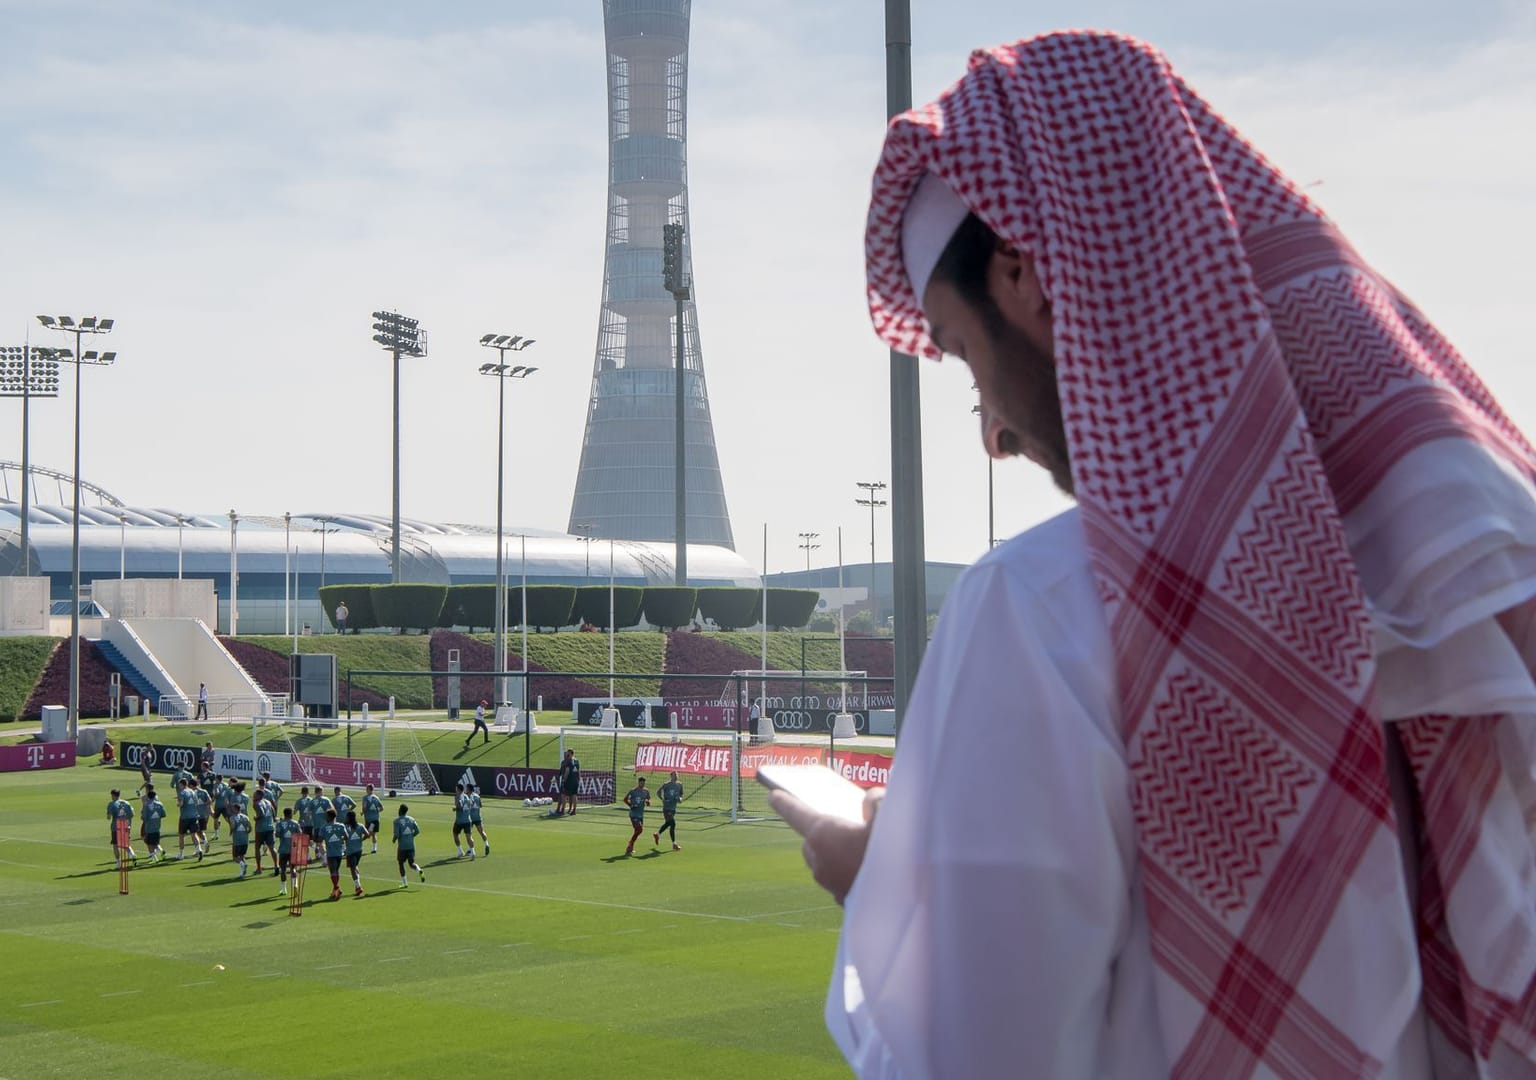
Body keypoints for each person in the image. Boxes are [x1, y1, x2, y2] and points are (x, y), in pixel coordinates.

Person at [774, 29, 1536, 1077]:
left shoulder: (1044, 612)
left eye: (964, 360)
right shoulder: (1485, 568)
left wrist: (883, 886)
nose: (989, 430)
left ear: (1028, 278)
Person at [320, 810, 350, 900]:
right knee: (336, 871)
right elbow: (347, 837)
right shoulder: (341, 826)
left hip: (331, 853)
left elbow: (320, 838)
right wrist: (340, 838)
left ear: (329, 817)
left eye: (326, 816)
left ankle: (337, 888)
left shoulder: (324, 827)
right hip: (339, 852)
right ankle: (335, 890)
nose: (325, 817)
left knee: (333, 871)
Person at [392, 804, 424, 886]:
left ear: (400, 810)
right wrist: (411, 836)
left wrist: (394, 840)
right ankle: (419, 870)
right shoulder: (411, 819)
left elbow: (397, 834)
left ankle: (404, 882)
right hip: (411, 845)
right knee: (412, 863)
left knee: (401, 863)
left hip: (402, 847)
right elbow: (417, 831)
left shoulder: (396, 821)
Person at [104, 788, 135, 869]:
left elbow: (108, 817)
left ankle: (118, 862)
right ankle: (132, 855)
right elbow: (132, 814)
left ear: (113, 795)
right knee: (125, 843)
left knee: (115, 845)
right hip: (125, 825)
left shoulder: (112, 804)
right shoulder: (126, 803)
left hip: (116, 827)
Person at [175, 776, 204, 859]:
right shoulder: (193, 792)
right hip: (194, 816)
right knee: (194, 834)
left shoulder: (182, 792)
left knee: (181, 835)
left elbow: (181, 804)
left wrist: (178, 804)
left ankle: (181, 854)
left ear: (182, 784)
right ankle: (199, 849)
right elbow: (197, 803)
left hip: (185, 817)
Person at [656, 771, 684, 851]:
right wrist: (662, 799)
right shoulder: (666, 784)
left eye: (676, 775)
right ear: (670, 776)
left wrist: (680, 799)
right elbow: (658, 792)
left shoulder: (679, 785)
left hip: (673, 808)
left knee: (669, 824)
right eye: (673, 775)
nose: (675, 776)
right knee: (673, 823)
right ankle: (674, 844)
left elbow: (681, 794)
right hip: (667, 807)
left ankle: (657, 834)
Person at [341, 810, 367, 898]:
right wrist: (361, 840)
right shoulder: (360, 826)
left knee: (352, 869)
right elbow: (367, 834)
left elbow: (343, 837)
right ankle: (358, 882)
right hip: (359, 850)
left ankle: (358, 886)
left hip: (350, 851)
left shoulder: (346, 827)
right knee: (355, 866)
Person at [275, 807, 301, 893]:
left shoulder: (280, 824)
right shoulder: (295, 823)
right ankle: (295, 885)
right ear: (290, 814)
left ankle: (284, 889)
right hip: (293, 849)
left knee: (283, 870)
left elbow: (277, 835)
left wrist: (282, 833)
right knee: (293, 868)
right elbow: (300, 835)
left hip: (283, 849)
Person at [622, 776, 650, 856]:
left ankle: (630, 848)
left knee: (637, 831)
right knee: (639, 829)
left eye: (644, 783)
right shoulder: (633, 791)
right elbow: (625, 799)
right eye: (641, 783)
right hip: (633, 814)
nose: (643, 784)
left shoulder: (646, 791)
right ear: (638, 783)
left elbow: (648, 799)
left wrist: (648, 802)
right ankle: (631, 842)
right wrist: (631, 805)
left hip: (641, 814)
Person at [449, 782, 476, 860]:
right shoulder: (467, 796)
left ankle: (460, 851)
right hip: (468, 820)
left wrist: (455, 809)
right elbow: (471, 805)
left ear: (458, 790)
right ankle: (473, 852)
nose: (455, 791)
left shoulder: (459, 797)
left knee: (455, 834)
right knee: (469, 837)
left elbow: (460, 806)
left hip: (460, 821)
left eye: (456, 789)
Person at [253, 785, 277, 872]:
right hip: (270, 827)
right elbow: (273, 811)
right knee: (272, 847)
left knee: (257, 848)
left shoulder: (257, 803)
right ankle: (276, 865)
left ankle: (259, 868)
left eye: (255, 794)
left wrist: (256, 818)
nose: (254, 795)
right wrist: (274, 818)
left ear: (259, 795)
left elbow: (261, 814)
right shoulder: (268, 802)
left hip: (261, 829)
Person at [139, 787, 166, 862]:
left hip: (149, 827)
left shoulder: (147, 805)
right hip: (157, 826)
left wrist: (142, 816)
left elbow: (144, 817)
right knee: (155, 842)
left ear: (148, 796)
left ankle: (154, 858)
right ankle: (161, 851)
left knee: (149, 843)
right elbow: (163, 814)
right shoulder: (160, 804)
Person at [227, 804, 253, 880]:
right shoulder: (245, 817)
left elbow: (233, 826)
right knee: (242, 856)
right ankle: (242, 873)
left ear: (235, 809)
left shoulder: (232, 817)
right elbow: (250, 828)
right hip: (245, 839)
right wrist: (246, 833)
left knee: (235, 858)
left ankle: (243, 864)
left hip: (237, 840)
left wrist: (231, 832)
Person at [555, 748, 581, 816]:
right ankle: (574, 810)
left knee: (563, 795)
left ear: (570, 754)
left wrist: (564, 780)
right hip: (575, 781)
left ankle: (562, 810)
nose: (566, 754)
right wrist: (579, 779)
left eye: (567, 753)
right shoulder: (577, 761)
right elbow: (578, 771)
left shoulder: (568, 761)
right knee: (574, 795)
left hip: (569, 781)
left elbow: (567, 771)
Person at [361, 784, 384, 854]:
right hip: (374, 819)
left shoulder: (365, 798)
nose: (366, 790)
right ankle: (374, 848)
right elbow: (382, 808)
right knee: (373, 834)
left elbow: (364, 807)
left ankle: (359, 842)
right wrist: (377, 811)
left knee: (369, 834)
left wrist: (363, 812)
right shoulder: (376, 798)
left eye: (367, 789)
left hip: (371, 820)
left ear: (370, 790)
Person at [467, 784, 489, 857]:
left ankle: (471, 849)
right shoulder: (477, 796)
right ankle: (486, 844)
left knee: (469, 834)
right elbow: (480, 805)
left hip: (471, 818)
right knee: (482, 832)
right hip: (478, 817)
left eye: (467, 788)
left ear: (469, 789)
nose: (466, 789)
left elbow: (471, 804)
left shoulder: (470, 796)